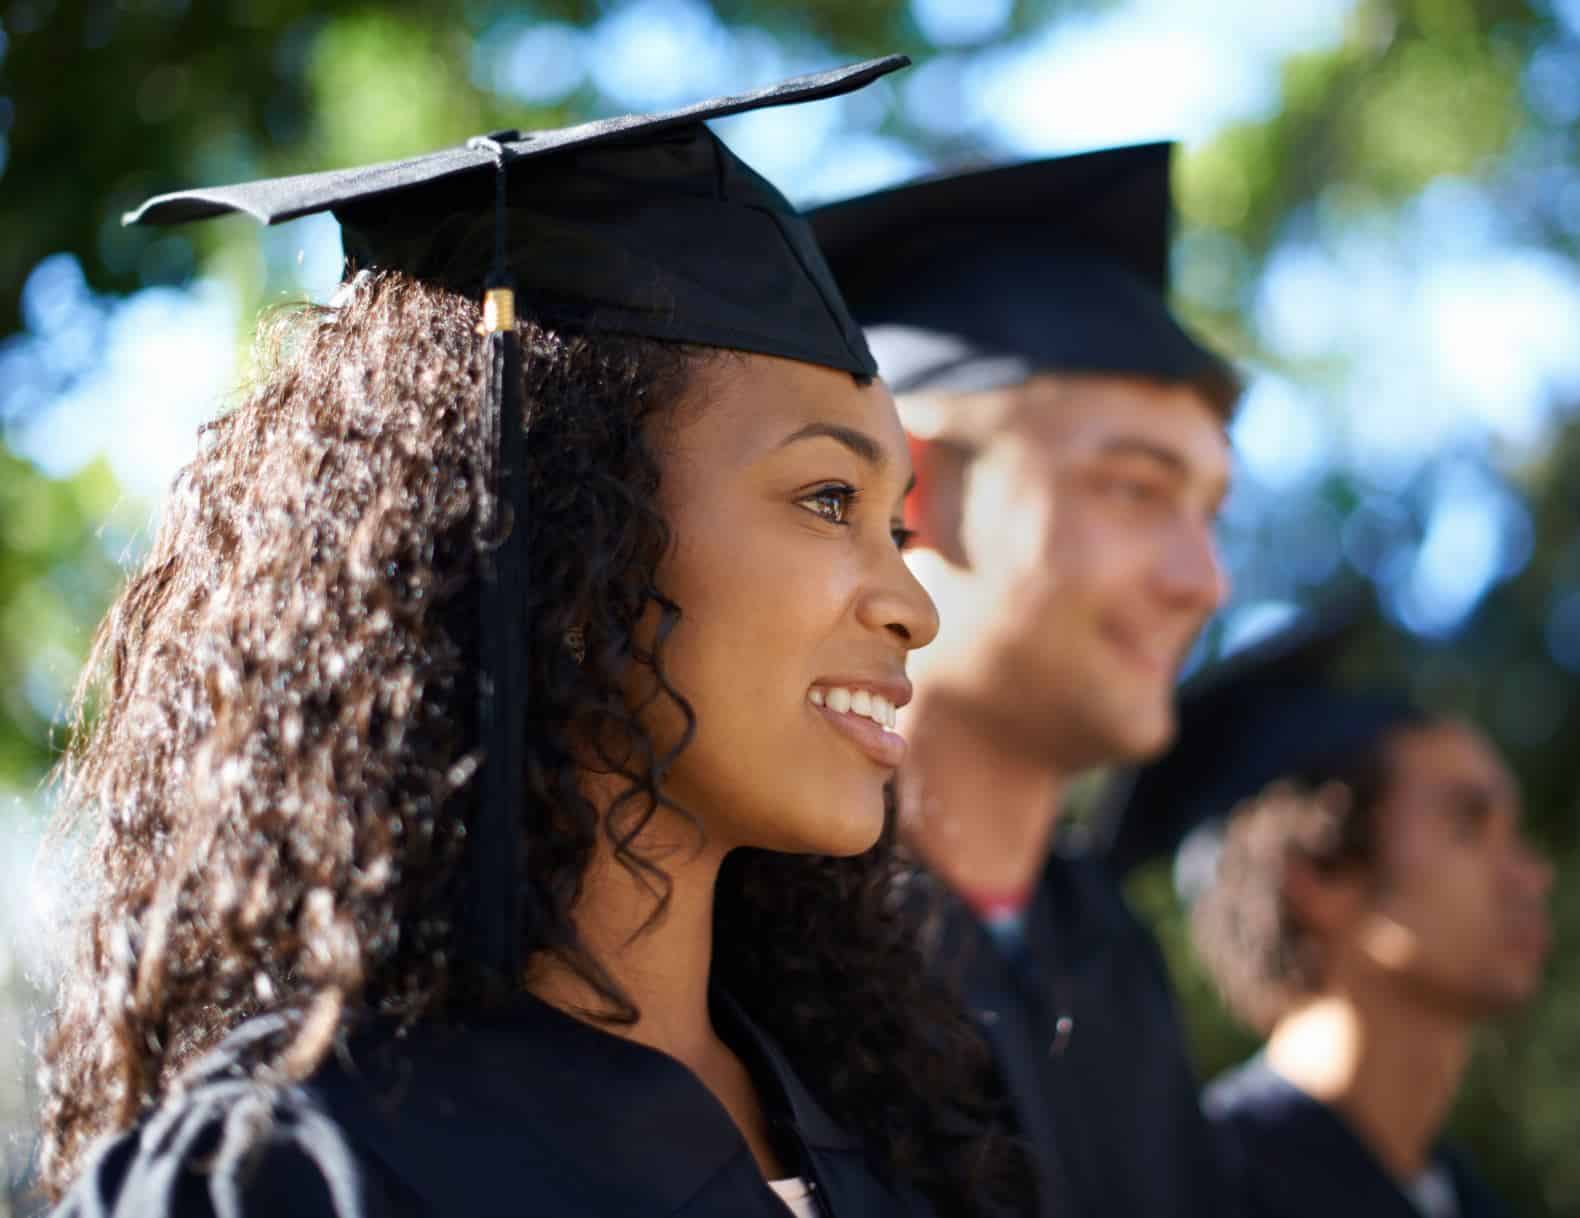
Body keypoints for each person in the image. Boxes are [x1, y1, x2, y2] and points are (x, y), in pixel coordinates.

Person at [36, 58, 1026, 1218]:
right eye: (826, 500)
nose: (912, 604)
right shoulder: (305, 1167)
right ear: (560, 524)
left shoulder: (906, 1146)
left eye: (896, 524)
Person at [806, 143, 1240, 1218]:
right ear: (913, 486)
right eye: (1136, 490)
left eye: (1211, 512)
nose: (1205, 581)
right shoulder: (749, 936)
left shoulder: (1115, 967)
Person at [1121, 617, 1552, 1218]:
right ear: (1319, 874)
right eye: (1468, 827)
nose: (1531, 876)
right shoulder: (1194, 1192)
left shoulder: (1461, 1198)